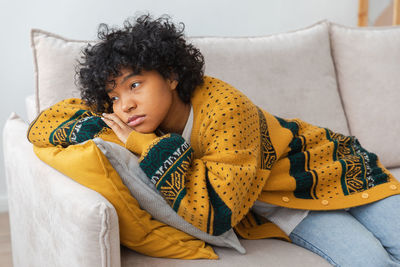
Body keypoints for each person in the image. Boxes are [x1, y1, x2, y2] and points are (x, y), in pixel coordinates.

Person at [77, 14, 400, 266]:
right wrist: (134, 134)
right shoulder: (133, 121)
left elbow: (212, 211)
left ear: (172, 76)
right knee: (370, 262)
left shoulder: (226, 108)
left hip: (337, 167)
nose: (125, 105)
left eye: (134, 85)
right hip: (288, 207)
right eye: (113, 96)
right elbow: (49, 123)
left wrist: (144, 144)